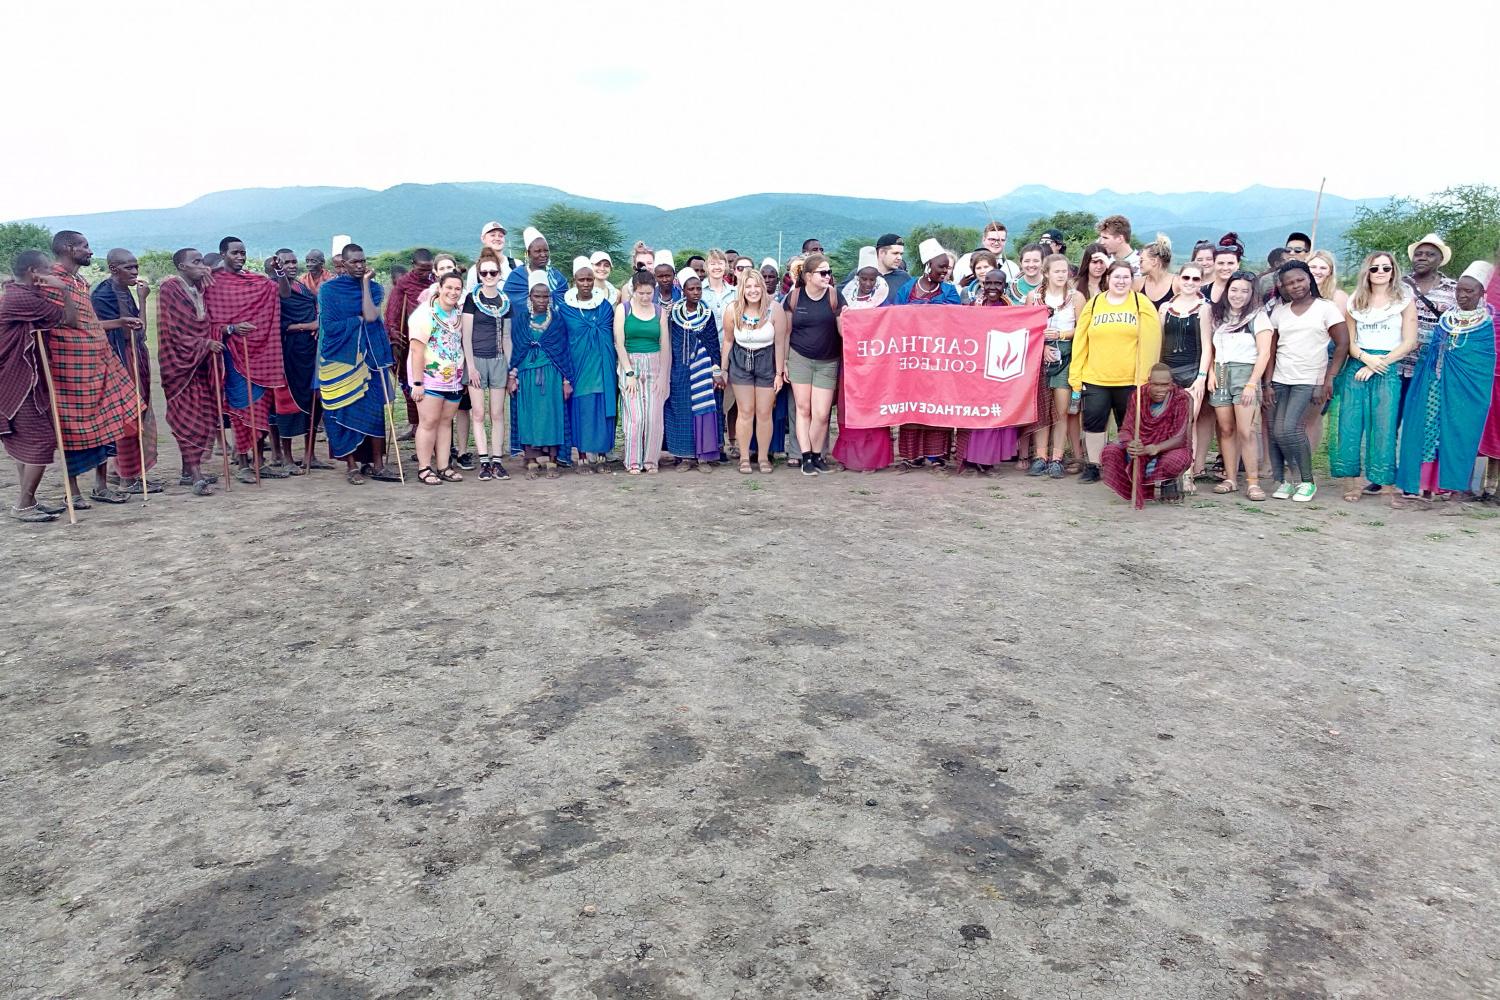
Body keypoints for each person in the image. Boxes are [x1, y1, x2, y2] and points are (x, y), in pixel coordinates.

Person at [37, 231, 139, 505]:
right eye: (85, 246)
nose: (90, 251)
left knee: (107, 422)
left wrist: (119, 322)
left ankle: (101, 486)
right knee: (72, 429)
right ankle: (74, 493)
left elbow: (88, 322)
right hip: (68, 368)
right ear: (69, 248)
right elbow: (56, 323)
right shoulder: (49, 280)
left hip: (99, 362)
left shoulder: (79, 281)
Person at [1396, 261, 1496, 502]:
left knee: (1460, 433)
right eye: (1459, 290)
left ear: (1482, 292)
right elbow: (1434, 352)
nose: (1461, 295)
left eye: (1469, 291)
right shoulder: (1447, 318)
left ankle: (1455, 491)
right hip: (1436, 385)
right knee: (1429, 432)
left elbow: (1481, 364)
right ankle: (1426, 486)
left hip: (1465, 393)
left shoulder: (1485, 324)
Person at [1328, 252, 1417, 502]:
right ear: (1366, 271)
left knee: (1384, 426)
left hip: (1387, 367)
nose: (1380, 272)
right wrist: (1365, 359)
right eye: (1375, 268)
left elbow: (1410, 341)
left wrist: (1380, 363)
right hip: (1358, 364)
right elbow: (1350, 339)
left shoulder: (1404, 300)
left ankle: (1384, 482)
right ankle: (1351, 483)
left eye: (1385, 268)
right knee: (1350, 425)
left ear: (1393, 271)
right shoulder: (1356, 300)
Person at [1069, 260, 1162, 483]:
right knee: (1093, 423)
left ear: (1132, 280)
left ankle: (1126, 466)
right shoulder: (1094, 305)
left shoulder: (1141, 304)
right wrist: (1076, 374)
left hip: (1130, 378)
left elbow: (1152, 342)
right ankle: (1094, 465)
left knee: (1128, 426)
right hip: (1096, 377)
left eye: (1126, 277)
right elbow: (1081, 340)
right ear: (1107, 279)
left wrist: (1145, 378)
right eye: (1116, 277)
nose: (1121, 281)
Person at [1265, 260, 1349, 502]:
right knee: (1277, 431)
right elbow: (1271, 350)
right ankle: (1287, 482)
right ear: (1282, 287)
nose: (1296, 286)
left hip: (1310, 379)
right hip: (1281, 379)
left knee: (1291, 428)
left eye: (1300, 280)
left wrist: (1329, 378)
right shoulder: (1280, 312)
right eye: (1290, 283)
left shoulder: (1326, 308)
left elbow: (1342, 343)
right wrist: (1268, 383)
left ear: (1309, 279)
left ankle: (1307, 481)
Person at [204, 236, 285, 483]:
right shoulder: (212, 284)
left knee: (260, 407)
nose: (240, 257)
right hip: (233, 357)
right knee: (241, 408)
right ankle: (243, 463)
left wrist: (280, 273)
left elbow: (282, 292)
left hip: (260, 356)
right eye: (235, 253)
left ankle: (260, 461)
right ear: (223, 254)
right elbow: (206, 322)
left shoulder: (256, 281)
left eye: (243, 253)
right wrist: (230, 329)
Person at [317, 244, 399, 484]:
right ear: (343, 263)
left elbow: (372, 316)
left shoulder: (373, 288)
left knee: (374, 412)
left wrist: (364, 283)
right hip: (340, 359)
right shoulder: (329, 291)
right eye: (354, 262)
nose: (360, 265)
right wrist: (356, 320)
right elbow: (330, 327)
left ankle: (378, 464)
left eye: (363, 261)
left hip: (370, 358)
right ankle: (352, 466)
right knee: (342, 410)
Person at [2, 250, 73, 521]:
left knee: (26, 441)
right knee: (41, 440)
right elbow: (67, 319)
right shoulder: (21, 297)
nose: (52, 275)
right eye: (47, 271)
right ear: (34, 272)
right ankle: (23, 504)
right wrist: (64, 290)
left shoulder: (22, 294)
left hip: (22, 380)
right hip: (16, 381)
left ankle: (29, 500)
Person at [155, 248, 224, 496]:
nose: (202, 266)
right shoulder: (170, 288)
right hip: (178, 363)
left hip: (200, 363)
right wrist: (204, 343)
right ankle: (195, 475)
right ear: (182, 267)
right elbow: (173, 329)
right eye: (196, 262)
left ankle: (189, 471)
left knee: (203, 415)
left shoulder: (200, 289)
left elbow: (205, 322)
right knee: (187, 418)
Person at [91, 248, 159, 493]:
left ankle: (125, 472)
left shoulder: (125, 291)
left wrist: (141, 298)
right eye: (128, 267)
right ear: (113, 269)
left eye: (136, 266)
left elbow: (139, 331)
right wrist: (137, 304)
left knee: (137, 413)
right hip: (118, 360)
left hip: (134, 355)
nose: (135, 271)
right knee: (128, 416)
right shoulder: (104, 294)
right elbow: (106, 330)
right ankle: (127, 478)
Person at [891, 239, 960, 471]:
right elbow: (895, 318)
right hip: (912, 358)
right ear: (928, 265)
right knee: (911, 403)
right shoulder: (907, 289)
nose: (945, 271)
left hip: (941, 358)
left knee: (937, 403)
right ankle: (912, 455)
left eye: (948, 268)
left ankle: (936, 455)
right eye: (941, 267)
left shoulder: (950, 291)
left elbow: (957, 320)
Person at [1204, 271, 1273, 500]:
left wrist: (1252, 383)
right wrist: (1212, 373)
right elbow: (1212, 348)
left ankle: (1253, 482)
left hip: (1245, 373)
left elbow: (1264, 353)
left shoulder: (1258, 317)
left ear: (1252, 293)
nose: (1238, 295)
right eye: (1234, 289)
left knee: (1246, 430)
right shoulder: (1219, 316)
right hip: (1221, 372)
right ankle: (1230, 478)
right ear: (1227, 290)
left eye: (1245, 290)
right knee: (1225, 429)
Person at [955, 269, 1028, 475]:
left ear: (1004, 286)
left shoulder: (1011, 309)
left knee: (994, 415)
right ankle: (969, 459)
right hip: (974, 369)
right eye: (988, 283)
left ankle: (986, 460)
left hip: (998, 370)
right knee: (974, 415)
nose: (992, 288)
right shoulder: (972, 305)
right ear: (983, 284)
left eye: (997, 284)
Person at [778, 252, 844, 477]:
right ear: (807, 276)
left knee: (822, 414)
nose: (827, 276)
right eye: (822, 272)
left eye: (829, 272)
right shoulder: (794, 298)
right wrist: (784, 362)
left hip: (828, 360)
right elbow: (786, 332)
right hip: (799, 358)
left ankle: (817, 454)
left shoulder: (835, 297)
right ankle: (806, 456)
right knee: (803, 409)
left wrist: (849, 319)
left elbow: (842, 331)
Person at [831, 247, 893, 474]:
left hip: (877, 363)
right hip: (851, 361)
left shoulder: (885, 300)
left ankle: (871, 459)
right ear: (858, 277)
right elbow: (840, 327)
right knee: (850, 408)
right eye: (864, 278)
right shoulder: (845, 298)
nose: (868, 283)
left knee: (873, 408)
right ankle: (849, 457)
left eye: (872, 278)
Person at [1099, 364, 1193, 506]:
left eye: (1165, 385)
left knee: (1176, 460)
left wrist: (1155, 448)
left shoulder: (1182, 398)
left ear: (1172, 383)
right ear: (1149, 381)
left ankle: (1168, 481)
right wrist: (1130, 443)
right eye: (1156, 385)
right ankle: (1132, 489)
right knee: (1110, 451)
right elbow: (1127, 428)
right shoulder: (1138, 395)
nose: (1160, 390)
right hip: (1141, 446)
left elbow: (1181, 438)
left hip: (1168, 448)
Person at [509, 271, 573, 479]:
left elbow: (563, 351)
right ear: (530, 297)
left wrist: (566, 380)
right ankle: (532, 461)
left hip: (552, 375)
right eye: (537, 296)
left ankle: (553, 461)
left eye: (546, 296)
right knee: (529, 417)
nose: (542, 300)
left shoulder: (557, 321)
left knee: (552, 417)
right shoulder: (521, 321)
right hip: (527, 376)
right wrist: (512, 376)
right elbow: (517, 350)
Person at [1029, 254, 1088, 478]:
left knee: (1062, 409)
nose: (1062, 275)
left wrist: (1062, 333)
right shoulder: (1034, 297)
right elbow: (1029, 328)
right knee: (1042, 409)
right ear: (1046, 273)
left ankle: (1057, 457)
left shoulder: (1076, 297)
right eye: (1057, 271)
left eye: (1065, 271)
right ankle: (1040, 456)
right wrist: (1042, 345)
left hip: (1066, 354)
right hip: (1040, 355)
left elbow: (1082, 329)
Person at [270, 248, 328, 473]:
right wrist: (308, 326)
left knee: (313, 401)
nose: (292, 265)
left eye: (295, 261)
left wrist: (318, 325)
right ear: (278, 266)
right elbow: (277, 323)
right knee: (287, 403)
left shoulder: (302, 287)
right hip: (289, 351)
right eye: (287, 263)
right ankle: (286, 457)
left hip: (311, 350)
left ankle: (309, 454)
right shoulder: (275, 288)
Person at [1156, 261, 1213, 488]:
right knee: (1166, 424)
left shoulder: (1203, 308)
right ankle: (1167, 472)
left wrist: (1201, 376)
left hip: (1192, 372)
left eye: (1195, 279)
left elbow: (1207, 345)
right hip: (1168, 373)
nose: (1190, 283)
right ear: (1178, 279)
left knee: (1187, 423)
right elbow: (1159, 343)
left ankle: (1187, 474)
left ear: (1201, 282)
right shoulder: (1165, 308)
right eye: (1186, 278)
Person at [409, 272, 467, 485]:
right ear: (440, 288)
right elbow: (416, 350)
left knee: (445, 422)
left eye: (457, 289)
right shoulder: (424, 314)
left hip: (453, 378)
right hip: (429, 378)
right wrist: (417, 383)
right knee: (428, 422)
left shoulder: (458, 314)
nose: (453, 292)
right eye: (449, 287)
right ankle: (424, 468)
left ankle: (443, 466)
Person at [561, 256, 616, 474]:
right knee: (582, 410)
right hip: (579, 367)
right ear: (574, 280)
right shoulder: (566, 309)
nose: (586, 283)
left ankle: (601, 456)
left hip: (603, 366)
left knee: (602, 409)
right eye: (581, 279)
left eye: (589, 279)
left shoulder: (605, 308)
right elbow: (563, 341)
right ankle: (582, 457)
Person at [461, 248, 512, 481]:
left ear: (499, 273)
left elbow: (507, 337)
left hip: (499, 360)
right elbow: (466, 335)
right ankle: (483, 460)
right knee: (479, 413)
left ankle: (497, 460)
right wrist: (470, 366)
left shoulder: (505, 301)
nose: (489, 276)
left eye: (493, 272)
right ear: (479, 274)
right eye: (485, 273)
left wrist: (509, 366)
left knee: (498, 413)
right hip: (477, 360)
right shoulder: (472, 299)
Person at [664, 270, 723, 471]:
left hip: (703, 369)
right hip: (679, 369)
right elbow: (670, 342)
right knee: (681, 411)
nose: (696, 292)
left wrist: (716, 368)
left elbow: (714, 342)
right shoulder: (673, 314)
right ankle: (685, 457)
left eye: (698, 288)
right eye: (691, 289)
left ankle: (704, 457)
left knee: (703, 409)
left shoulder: (707, 315)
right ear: (684, 291)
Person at [614, 270, 670, 474]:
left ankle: (651, 460)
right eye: (641, 293)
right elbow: (619, 343)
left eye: (649, 293)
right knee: (635, 418)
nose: (645, 297)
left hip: (654, 363)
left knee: (654, 417)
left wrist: (664, 376)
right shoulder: (624, 310)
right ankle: (633, 460)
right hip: (631, 363)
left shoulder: (659, 312)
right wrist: (628, 373)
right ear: (633, 291)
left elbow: (665, 345)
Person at [1399, 233, 1458, 415]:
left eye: (1430, 254)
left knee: (1424, 422)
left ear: (1440, 260)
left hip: (1435, 369)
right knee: (1390, 421)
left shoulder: (1454, 289)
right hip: (1397, 366)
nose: (1423, 257)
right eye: (1419, 254)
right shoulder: (1398, 286)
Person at [384, 248, 435, 440]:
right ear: (413, 266)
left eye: (428, 269)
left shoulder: (436, 282)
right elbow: (392, 313)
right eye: (421, 269)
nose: (425, 274)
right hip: (409, 344)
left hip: (435, 345)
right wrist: (393, 334)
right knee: (411, 386)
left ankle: (431, 432)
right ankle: (416, 426)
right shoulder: (404, 284)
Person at [464, 221, 516, 288]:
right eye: (492, 235)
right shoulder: (474, 271)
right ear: (483, 239)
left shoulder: (516, 265)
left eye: (501, 236)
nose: (497, 238)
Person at [1205, 232, 1245, 305]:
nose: (1225, 268)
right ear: (1214, 264)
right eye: (1221, 263)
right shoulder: (1202, 291)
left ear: (1238, 265)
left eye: (1230, 263)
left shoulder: (1247, 292)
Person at [700, 250, 736, 327]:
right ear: (706, 266)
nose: (717, 267)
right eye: (712, 264)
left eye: (720, 263)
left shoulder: (734, 292)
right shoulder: (698, 291)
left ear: (725, 266)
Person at [1138, 235, 1174, 310]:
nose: (1139, 263)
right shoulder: (1138, 284)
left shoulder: (1176, 284)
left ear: (1154, 261)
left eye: (1141, 260)